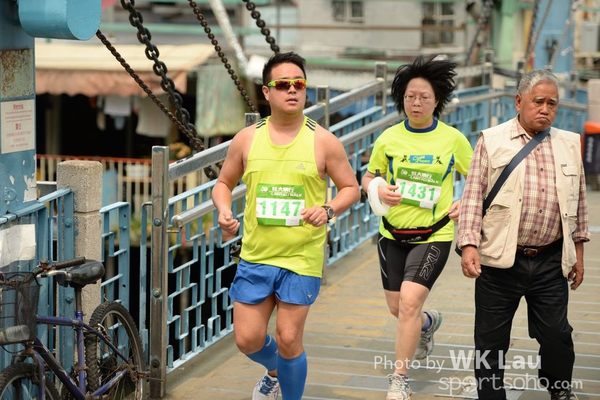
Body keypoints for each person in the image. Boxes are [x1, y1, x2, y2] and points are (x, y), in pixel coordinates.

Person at [212, 52, 360, 400]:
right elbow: (223, 183)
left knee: (289, 338)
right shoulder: (247, 139)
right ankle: (276, 372)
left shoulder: (323, 141)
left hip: (301, 256)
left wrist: (327, 209)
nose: (292, 90)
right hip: (257, 254)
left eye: (299, 84)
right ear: (267, 92)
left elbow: (351, 188)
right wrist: (224, 211)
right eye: (282, 84)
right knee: (247, 339)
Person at [457, 69, 589, 400]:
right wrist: (469, 244)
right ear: (519, 101)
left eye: (552, 103)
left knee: (557, 334)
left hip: (550, 260)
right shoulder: (492, 140)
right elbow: (472, 197)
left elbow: (580, 204)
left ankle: (559, 388)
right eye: (538, 101)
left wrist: (578, 255)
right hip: (500, 259)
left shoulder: (569, 144)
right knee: (490, 341)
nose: (545, 109)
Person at [361, 55, 473, 400]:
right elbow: (369, 176)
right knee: (400, 310)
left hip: (434, 234)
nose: (416, 103)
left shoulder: (453, 139)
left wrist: (465, 202)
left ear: (437, 100)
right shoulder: (388, 138)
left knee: (409, 303)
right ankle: (428, 323)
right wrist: (378, 189)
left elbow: (480, 179)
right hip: (392, 235)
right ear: (402, 99)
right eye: (410, 96)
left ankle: (400, 379)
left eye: (424, 97)